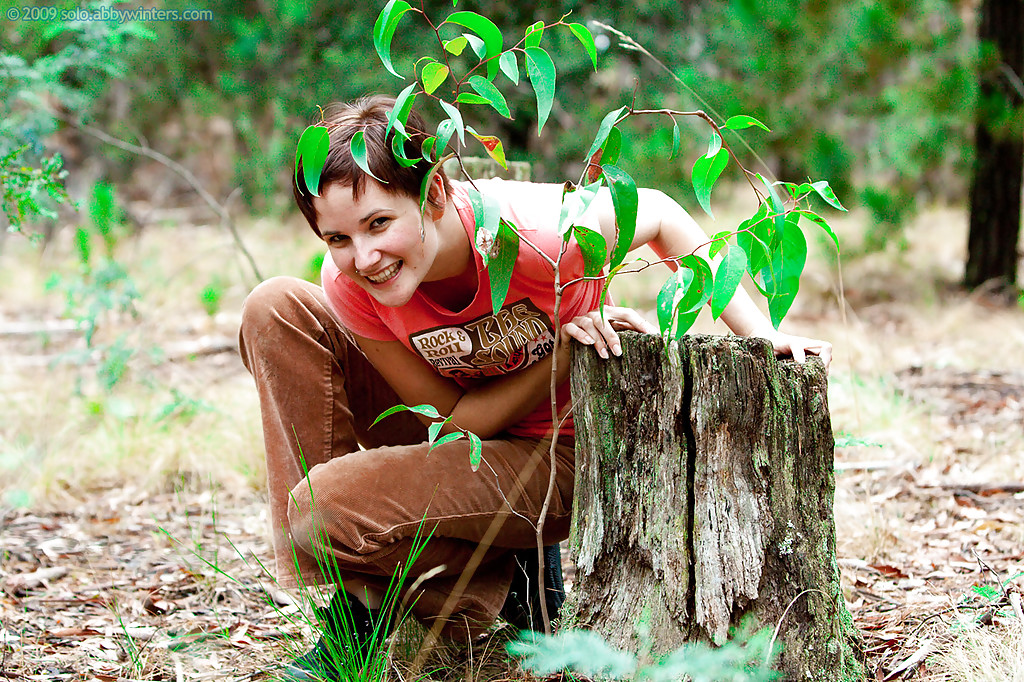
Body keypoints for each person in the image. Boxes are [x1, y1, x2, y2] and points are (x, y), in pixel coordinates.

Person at [238, 95, 832, 679]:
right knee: (277, 308)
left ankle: (474, 580)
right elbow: (452, 422)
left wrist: (762, 333)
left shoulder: (537, 236)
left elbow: (660, 214)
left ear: (436, 194)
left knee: (322, 509)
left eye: (378, 223)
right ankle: (359, 605)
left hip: (557, 455)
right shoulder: (354, 287)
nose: (364, 257)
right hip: (465, 434)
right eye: (337, 239)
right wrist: (555, 362)